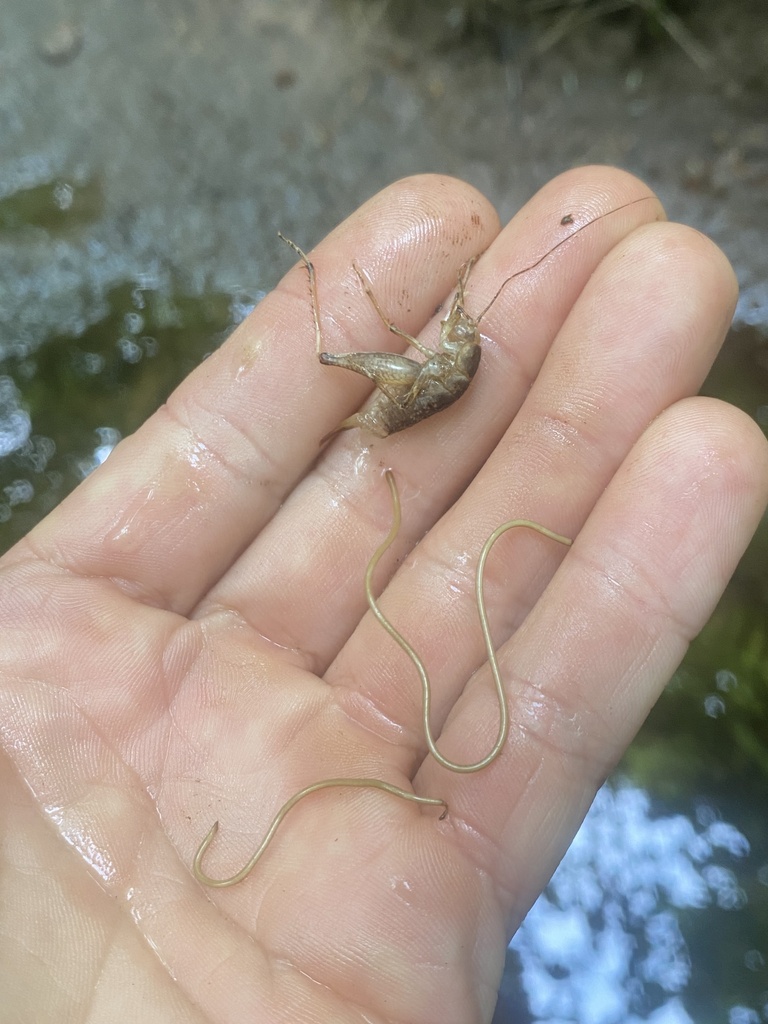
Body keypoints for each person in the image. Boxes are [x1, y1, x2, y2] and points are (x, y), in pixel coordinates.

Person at [1, 166, 766, 1023]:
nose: (463, 331)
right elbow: (441, 351)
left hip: (402, 405)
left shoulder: (450, 362)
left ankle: (332, 294)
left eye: (465, 333)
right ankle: (333, 294)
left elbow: (438, 355)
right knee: (354, 361)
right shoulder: (452, 357)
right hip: (403, 401)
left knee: (355, 363)